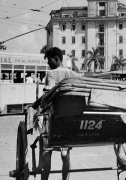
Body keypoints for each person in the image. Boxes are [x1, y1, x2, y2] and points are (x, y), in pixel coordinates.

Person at [38, 47, 79, 180]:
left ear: (56, 59)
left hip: (54, 119)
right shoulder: (74, 74)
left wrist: (38, 103)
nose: (48, 64)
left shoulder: (51, 74)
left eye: (49, 61)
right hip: (70, 120)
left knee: (46, 152)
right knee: (65, 155)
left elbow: (48, 93)